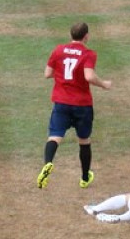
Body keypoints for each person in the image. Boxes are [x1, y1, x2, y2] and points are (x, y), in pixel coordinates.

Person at [37, 21, 112, 189]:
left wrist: (61, 76)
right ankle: (85, 178)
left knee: (55, 136)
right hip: (82, 104)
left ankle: (48, 163)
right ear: (86, 36)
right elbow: (89, 76)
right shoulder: (88, 53)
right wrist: (104, 84)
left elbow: (47, 74)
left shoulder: (58, 50)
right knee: (84, 140)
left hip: (61, 102)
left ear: (70, 35)